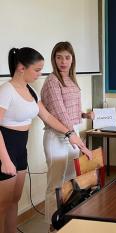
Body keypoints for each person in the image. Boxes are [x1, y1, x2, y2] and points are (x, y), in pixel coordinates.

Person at [0, 47, 91, 233]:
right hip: (5, 151)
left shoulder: (31, 91)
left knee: (13, 202)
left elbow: (48, 117)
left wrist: (72, 136)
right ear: (21, 68)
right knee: (2, 205)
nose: (40, 74)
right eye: (37, 70)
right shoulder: (6, 90)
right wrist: (5, 159)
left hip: (20, 151)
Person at [40, 41, 94, 229]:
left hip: (72, 133)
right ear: (54, 59)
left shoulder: (71, 79)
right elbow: (60, 113)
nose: (63, 61)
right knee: (55, 185)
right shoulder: (52, 80)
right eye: (59, 57)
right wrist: (81, 144)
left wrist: (85, 115)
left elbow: (69, 111)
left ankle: (65, 222)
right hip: (57, 137)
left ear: (72, 60)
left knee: (70, 182)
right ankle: (51, 225)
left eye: (67, 57)